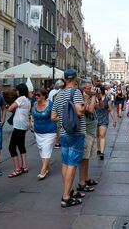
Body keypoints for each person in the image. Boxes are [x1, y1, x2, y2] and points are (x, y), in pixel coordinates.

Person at [51, 69, 86, 208]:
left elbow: (53, 117)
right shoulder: (76, 92)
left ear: (64, 79)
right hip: (76, 132)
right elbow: (78, 111)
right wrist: (85, 104)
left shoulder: (59, 95)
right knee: (72, 163)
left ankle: (69, 191)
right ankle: (66, 197)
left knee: (65, 162)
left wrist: (65, 119)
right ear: (76, 79)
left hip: (64, 133)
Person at [78, 80, 101, 193]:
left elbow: (99, 106)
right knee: (83, 158)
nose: (92, 88)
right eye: (89, 87)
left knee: (87, 158)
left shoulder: (91, 97)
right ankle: (81, 182)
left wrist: (99, 97)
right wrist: (92, 96)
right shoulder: (82, 99)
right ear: (84, 89)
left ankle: (86, 179)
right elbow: (90, 109)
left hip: (91, 131)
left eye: (92, 87)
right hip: (85, 131)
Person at [7, 83, 31, 178]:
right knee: (21, 146)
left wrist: (10, 106)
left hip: (18, 126)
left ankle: (17, 169)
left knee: (11, 147)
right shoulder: (28, 100)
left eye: (17, 90)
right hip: (24, 125)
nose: (16, 92)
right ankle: (24, 166)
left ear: (20, 91)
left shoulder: (20, 99)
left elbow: (10, 108)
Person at [31, 88, 56, 180]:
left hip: (50, 131)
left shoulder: (51, 104)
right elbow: (32, 116)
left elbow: (56, 116)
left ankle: (43, 171)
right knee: (41, 150)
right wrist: (31, 123)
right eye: (35, 95)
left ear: (44, 96)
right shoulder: (34, 104)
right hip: (38, 131)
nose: (36, 96)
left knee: (46, 149)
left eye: (38, 95)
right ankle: (47, 167)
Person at [96, 85, 116, 159]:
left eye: (98, 90)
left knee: (102, 135)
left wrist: (113, 120)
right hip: (95, 119)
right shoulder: (94, 99)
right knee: (97, 135)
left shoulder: (107, 99)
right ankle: (98, 149)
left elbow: (110, 109)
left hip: (104, 119)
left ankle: (102, 152)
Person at [48, 80, 64, 149]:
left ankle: (55, 141)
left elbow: (49, 100)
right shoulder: (62, 92)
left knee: (54, 126)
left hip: (52, 109)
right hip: (59, 109)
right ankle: (57, 142)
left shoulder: (51, 92)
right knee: (59, 127)